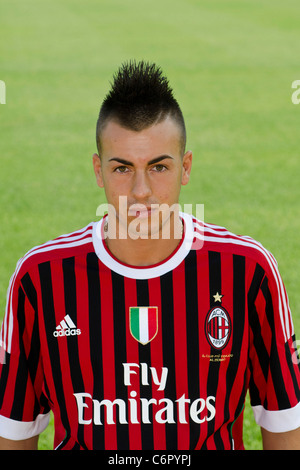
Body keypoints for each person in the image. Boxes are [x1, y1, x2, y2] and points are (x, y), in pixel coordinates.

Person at [0, 61, 300, 451]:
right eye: (122, 168)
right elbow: (15, 433)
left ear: (186, 167)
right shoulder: (41, 278)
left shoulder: (247, 271)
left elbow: (285, 427)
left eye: (159, 166)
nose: (141, 190)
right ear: (98, 171)